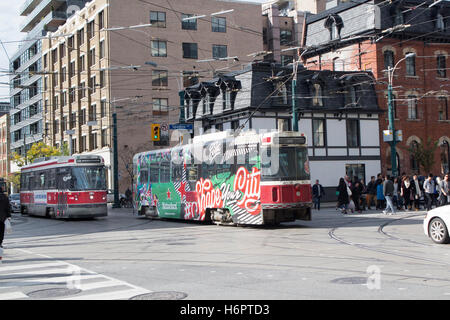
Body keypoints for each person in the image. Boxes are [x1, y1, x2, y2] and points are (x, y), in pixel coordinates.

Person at [0, 187, 12, 262]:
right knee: (1, 233)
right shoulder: (5, 197)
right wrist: (8, 216)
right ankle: (0, 243)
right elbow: (8, 207)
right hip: (2, 219)